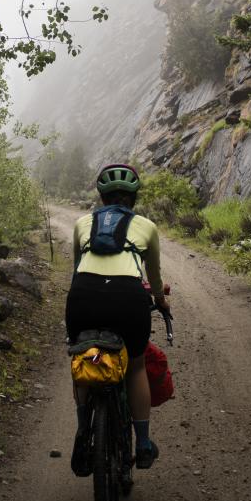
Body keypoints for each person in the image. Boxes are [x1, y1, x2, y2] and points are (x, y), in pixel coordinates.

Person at [66, 162, 170, 475]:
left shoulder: (82, 223)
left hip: (83, 295)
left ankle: (84, 432)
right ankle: (143, 444)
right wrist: (161, 303)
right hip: (128, 298)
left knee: (84, 359)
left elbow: (76, 269)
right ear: (133, 198)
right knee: (136, 365)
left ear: (101, 197)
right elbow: (153, 276)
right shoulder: (147, 227)